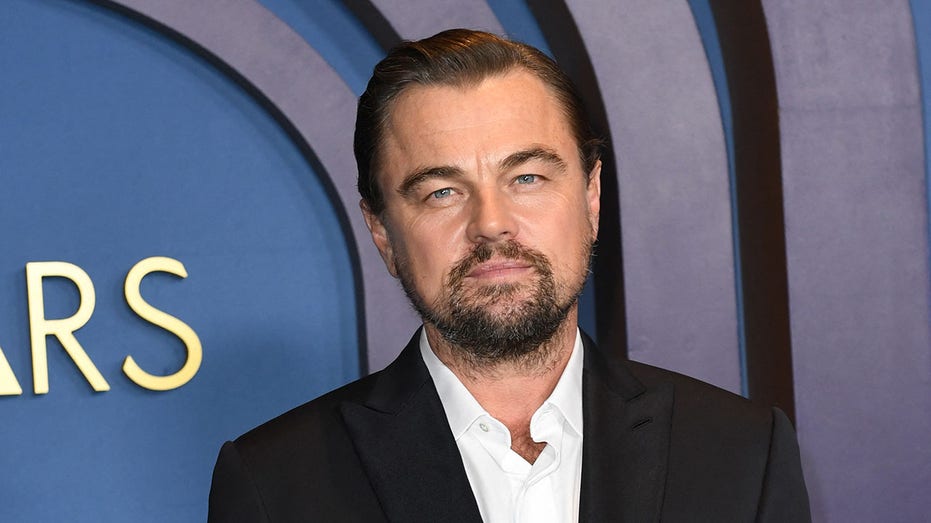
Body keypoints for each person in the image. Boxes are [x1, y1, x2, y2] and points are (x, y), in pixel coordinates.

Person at [208, 29, 811, 522]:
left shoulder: (740, 452)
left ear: (592, 196)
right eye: (442, 191)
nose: (491, 224)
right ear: (384, 233)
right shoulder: (275, 486)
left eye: (527, 178)